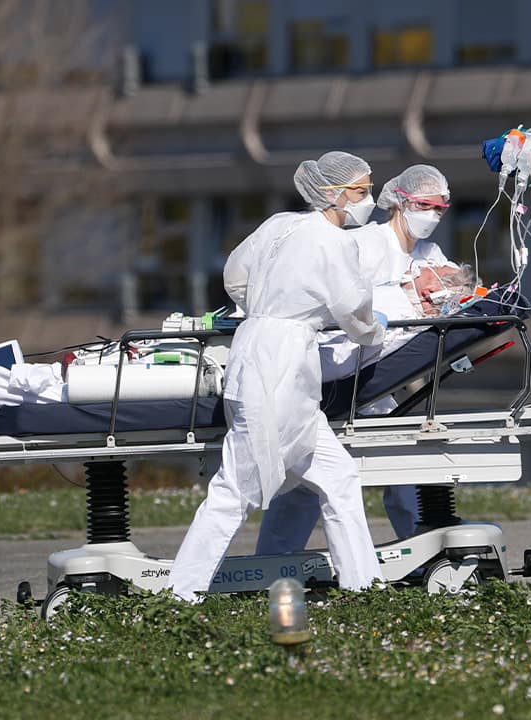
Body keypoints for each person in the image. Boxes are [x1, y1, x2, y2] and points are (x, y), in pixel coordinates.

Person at [164, 151, 387, 602]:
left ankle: (363, 587)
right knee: (235, 489)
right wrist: (372, 332)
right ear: (333, 193)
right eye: (362, 192)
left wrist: (266, 306)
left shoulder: (278, 225)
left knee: (339, 476)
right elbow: (353, 309)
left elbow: (234, 274)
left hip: (258, 350)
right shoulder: (334, 241)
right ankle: (180, 594)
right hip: (280, 367)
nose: (370, 201)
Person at [257, 165, 457, 555]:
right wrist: (394, 300)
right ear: (400, 203)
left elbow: (451, 290)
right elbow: (339, 302)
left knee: (402, 473)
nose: (434, 214)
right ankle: (272, 563)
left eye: (441, 208)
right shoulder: (364, 244)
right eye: (426, 205)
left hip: (382, 378)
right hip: (340, 368)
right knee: (304, 482)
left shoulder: (430, 253)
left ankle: (420, 551)